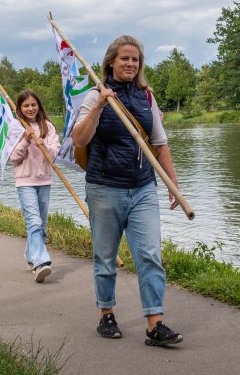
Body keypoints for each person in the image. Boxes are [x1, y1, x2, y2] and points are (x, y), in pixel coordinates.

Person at [72, 35, 183, 347]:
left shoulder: (146, 97)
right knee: (105, 257)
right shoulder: (95, 96)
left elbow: (159, 144)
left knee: (150, 255)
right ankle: (106, 314)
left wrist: (172, 184)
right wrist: (100, 105)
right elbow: (79, 140)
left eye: (135, 59)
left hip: (143, 188)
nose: (131, 64)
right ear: (111, 62)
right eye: (125, 59)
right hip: (105, 188)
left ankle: (154, 324)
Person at [9, 90, 60, 283]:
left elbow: (55, 152)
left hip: (44, 180)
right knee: (34, 222)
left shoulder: (47, 126)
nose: (30, 109)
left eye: (33, 105)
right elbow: (13, 156)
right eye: (26, 106)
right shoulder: (15, 127)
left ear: (39, 105)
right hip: (24, 181)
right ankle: (41, 263)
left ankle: (31, 256)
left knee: (42, 225)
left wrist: (42, 145)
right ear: (20, 108)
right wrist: (25, 140)